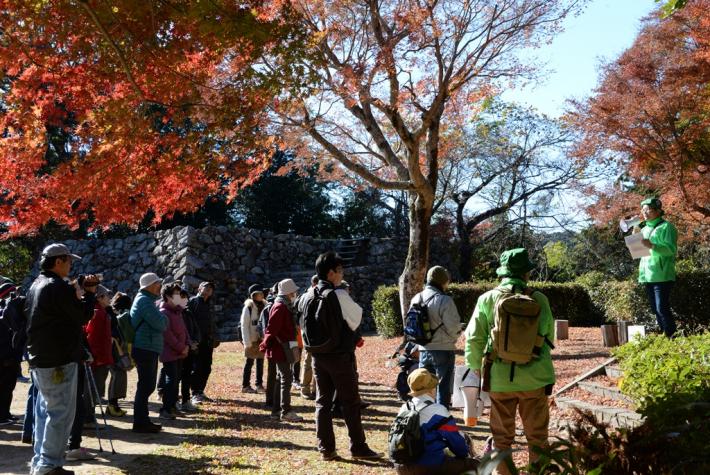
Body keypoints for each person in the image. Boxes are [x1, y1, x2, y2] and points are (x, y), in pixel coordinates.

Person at [464, 248, 555, 475]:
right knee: (538, 438)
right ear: (526, 273)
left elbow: (474, 338)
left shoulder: (487, 299)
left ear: (502, 274)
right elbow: (548, 335)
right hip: (535, 379)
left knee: (501, 438)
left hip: (500, 378)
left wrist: (475, 369)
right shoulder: (539, 299)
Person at [25, 243, 99, 475]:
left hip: (39, 357)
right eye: (69, 261)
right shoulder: (58, 287)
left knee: (44, 412)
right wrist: (89, 295)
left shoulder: (35, 285)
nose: (70, 266)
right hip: (59, 358)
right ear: (58, 261)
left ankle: (41, 462)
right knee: (60, 414)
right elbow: (81, 316)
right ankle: (49, 465)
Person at [299, 251, 380, 461]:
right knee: (350, 403)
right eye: (340, 270)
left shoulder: (307, 295)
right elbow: (356, 319)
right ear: (331, 272)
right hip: (340, 356)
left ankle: (326, 449)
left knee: (322, 402)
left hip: (317, 355)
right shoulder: (339, 295)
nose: (342, 274)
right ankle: (358, 447)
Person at [393, 368, 478, 474]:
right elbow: (457, 444)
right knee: (476, 465)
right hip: (427, 466)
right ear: (431, 389)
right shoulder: (438, 411)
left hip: (401, 466)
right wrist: (466, 454)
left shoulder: (404, 408)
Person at [411, 266, 461, 408]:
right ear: (443, 282)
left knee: (424, 385)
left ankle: (423, 413)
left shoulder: (417, 298)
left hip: (423, 348)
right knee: (443, 386)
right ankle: (441, 417)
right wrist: (457, 334)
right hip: (443, 349)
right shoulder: (445, 300)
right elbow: (453, 327)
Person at [260, 279, 304, 422]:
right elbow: (271, 329)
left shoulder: (283, 305)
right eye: (294, 291)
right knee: (286, 378)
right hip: (281, 348)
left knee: (281, 378)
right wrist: (265, 344)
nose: (295, 294)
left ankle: (276, 411)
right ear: (289, 292)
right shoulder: (281, 306)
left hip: (282, 347)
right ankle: (286, 411)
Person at [634, 197, 678, 337]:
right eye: (643, 210)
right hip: (647, 275)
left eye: (649, 210)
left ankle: (671, 336)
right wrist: (634, 237)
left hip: (662, 275)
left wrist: (652, 245)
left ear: (658, 211)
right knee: (655, 309)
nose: (645, 213)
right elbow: (638, 252)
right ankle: (666, 336)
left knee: (661, 308)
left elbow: (671, 249)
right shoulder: (645, 228)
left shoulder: (667, 227)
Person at [130, 272, 167, 433]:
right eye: (158, 283)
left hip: (148, 347)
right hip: (145, 348)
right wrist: (164, 317)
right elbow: (161, 324)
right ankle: (140, 422)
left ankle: (142, 420)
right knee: (145, 386)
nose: (160, 286)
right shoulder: (145, 301)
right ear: (151, 285)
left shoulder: (147, 300)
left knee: (146, 385)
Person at [158, 282, 190, 420]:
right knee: (170, 381)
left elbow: (184, 330)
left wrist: (187, 344)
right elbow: (168, 335)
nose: (179, 297)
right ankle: (165, 409)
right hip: (169, 353)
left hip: (180, 353)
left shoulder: (178, 312)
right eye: (176, 294)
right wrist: (181, 347)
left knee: (176, 380)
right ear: (167, 297)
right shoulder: (164, 312)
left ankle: (172, 407)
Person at [83, 285, 114, 425]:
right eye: (107, 296)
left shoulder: (100, 311)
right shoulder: (98, 313)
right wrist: (97, 358)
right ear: (100, 297)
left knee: (94, 389)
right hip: (98, 359)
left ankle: (89, 416)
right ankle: (88, 418)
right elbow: (93, 337)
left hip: (100, 357)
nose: (110, 298)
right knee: (91, 389)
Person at [189, 281, 218, 404]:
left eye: (210, 288)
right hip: (196, 341)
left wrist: (215, 336)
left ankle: (200, 391)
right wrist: (191, 340)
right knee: (196, 367)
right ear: (199, 288)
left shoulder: (210, 304)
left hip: (208, 341)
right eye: (206, 287)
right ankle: (194, 393)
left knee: (207, 367)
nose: (208, 290)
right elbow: (188, 321)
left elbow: (212, 322)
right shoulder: (193, 302)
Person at [107, 292, 133, 416]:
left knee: (116, 376)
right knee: (118, 376)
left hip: (113, 350)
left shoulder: (113, 315)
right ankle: (113, 405)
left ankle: (113, 405)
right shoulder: (123, 316)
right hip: (117, 351)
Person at [0, 282, 22, 425]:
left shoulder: (9, 311)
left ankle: (5, 413)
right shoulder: (3, 312)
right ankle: (1, 416)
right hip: (5, 356)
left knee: (9, 387)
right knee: (3, 387)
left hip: (10, 355)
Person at [296, 275, 318, 400]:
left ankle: (314, 390)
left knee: (314, 363)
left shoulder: (305, 296)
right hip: (309, 335)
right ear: (315, 284)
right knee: (309, 362)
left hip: (309, 334)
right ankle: (305, 389)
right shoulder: (306, 296)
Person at [178, 287, 200, 413]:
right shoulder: (174, 313)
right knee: (176, 377)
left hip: (190, 349)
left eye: (185, 297)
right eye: (182, 297)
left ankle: (186, 400)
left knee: (186, 376)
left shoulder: (188, 313)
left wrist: (195, 341)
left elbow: (196, 330)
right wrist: (187, 344)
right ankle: (173, 400)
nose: (185, 300)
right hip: (179, 350)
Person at [241, 284, 265, 393]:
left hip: (261, 339)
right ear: (253, 295)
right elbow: (244, 325)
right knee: (249, 363)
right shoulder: (248, 307)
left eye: (261, 293)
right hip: (251, 339)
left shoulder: (265, 305)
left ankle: (259, 385)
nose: (261, 295)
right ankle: (245, 386)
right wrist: (247, 342)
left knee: (260, 362)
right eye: (258, 293)